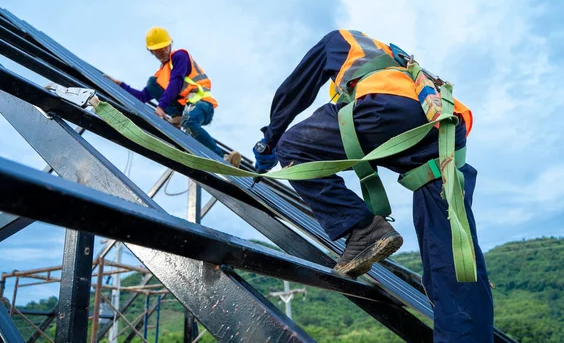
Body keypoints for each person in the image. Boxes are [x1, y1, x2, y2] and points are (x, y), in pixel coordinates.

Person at [253, 30, 494, 342]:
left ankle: (365, 230)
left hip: (387, 107)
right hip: (444, 129)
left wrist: (270, 141)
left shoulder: (341, 40)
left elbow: (295, 90)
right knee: (454, 257)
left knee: (294, 147)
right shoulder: (399, 59)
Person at [105, 27, 241, 167]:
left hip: (202, 104)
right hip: (185, 108)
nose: (163, 51)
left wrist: (161, 107)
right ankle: (177, 116)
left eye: (165, 47)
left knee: (188, 122)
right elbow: (141, 97)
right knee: (152, 83)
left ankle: (224, 159)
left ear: (170, 44)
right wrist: (120, 85)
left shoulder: (179, 56)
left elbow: (176, 81)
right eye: (158, 49)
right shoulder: (160, 75)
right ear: (151, 51)